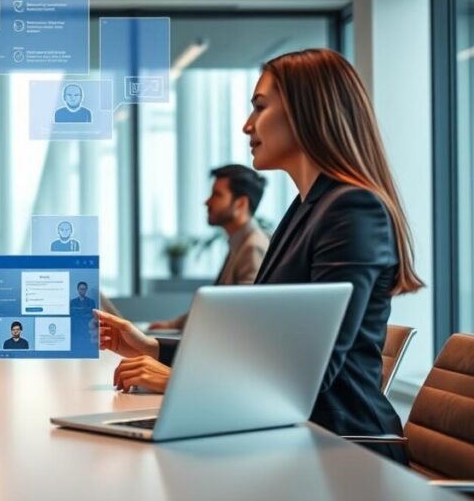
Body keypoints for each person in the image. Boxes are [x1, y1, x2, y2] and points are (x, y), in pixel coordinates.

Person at [95, 48, 422, 463]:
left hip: (343, 452)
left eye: (260, 107)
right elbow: (259, 349)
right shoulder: (305, 208)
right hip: (290, 439)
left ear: (308, 112)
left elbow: (310, 373)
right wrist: (152, 347)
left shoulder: (352, 210)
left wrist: (180, 383)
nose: (247, 125)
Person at [149, 164, 270, 330]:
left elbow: (245, 313)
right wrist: (172, 325)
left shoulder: (252, 247)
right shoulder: (239, 243)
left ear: (241, 203)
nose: (207, 202)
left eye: (217, 195)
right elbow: (217, 305)